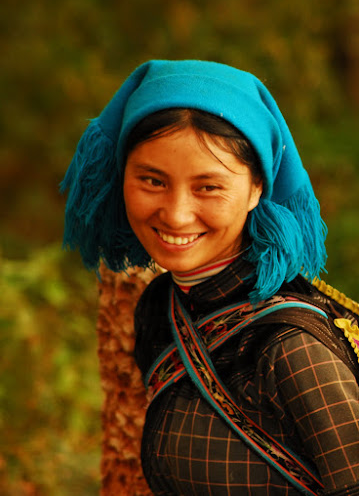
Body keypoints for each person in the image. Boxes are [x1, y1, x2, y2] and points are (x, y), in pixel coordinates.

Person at [61, 60, 359, 495]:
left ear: (258, 187)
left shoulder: (291, 348)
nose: (177, 214)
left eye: (208, 187)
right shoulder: (163, 306)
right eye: (152, 180)